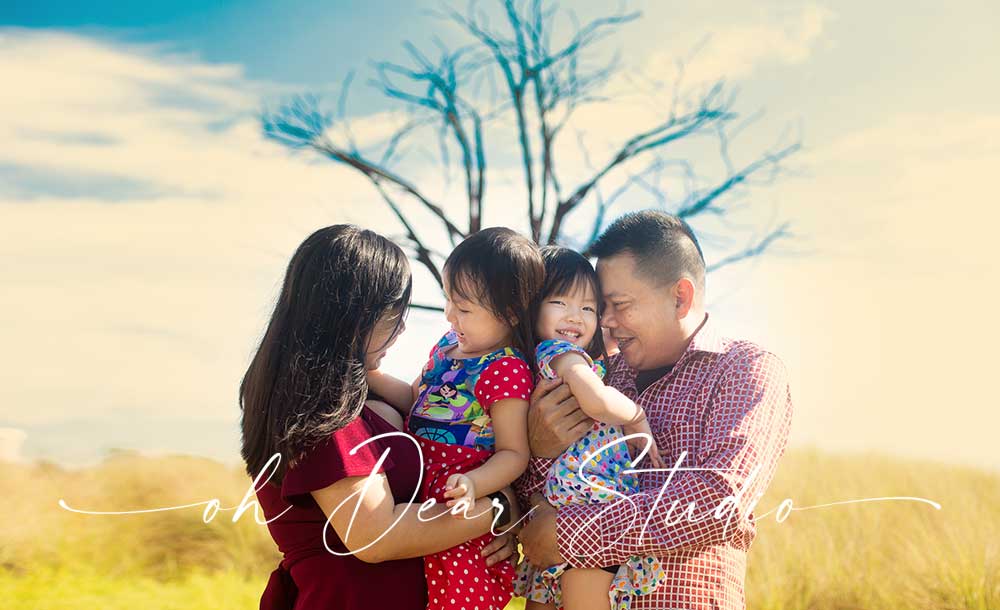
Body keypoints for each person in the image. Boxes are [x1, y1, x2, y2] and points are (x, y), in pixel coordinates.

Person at [515, 210, 794, 610]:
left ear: (680, 296)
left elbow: (721, 500)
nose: (606, 323)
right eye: (601, 306)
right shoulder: (598, 375)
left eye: (619, 305)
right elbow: (541, 511)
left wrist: (572, 535)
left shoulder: (744, 370)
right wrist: (540, 452)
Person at [240, 225, 518, 610]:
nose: (402, 327)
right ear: (353, 315)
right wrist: (500, 508)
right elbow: (376, 535)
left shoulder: (359, 397)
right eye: (392, 315)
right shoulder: (320, 413)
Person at [368, 226, 544, 610]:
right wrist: (373, 377)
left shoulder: (506, 369)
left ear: (511, 313)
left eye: (464, 308)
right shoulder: (447, 347)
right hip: (416, 494)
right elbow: (416, 401)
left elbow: (514, 453)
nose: (450, 315)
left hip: (461, 505)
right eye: (448, 300)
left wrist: (473, 484)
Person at [513, 246, 667, 610]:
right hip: (585, 508)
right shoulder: (563, 355)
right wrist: (634, 415)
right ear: (532, 307)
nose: (576, 317)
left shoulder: (529, 363)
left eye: (587, 308)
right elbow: (597, 401)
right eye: (560, 302)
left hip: (552, 511)